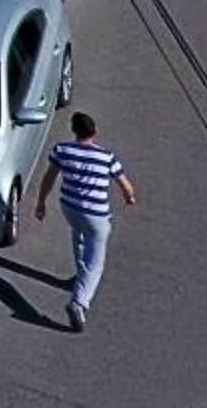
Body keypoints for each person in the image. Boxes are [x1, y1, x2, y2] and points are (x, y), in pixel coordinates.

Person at [35, 109, 137, 331]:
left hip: (70, 209)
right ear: (95, 132)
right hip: (97, 216)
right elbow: (124, 184)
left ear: (74, 131)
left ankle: (78, 278)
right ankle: (79, 303)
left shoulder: (61, 151)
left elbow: (49, 178)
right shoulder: (107, 157)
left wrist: (41, 202)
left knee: (79, 237)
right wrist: (129, 197)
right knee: (95, 263)